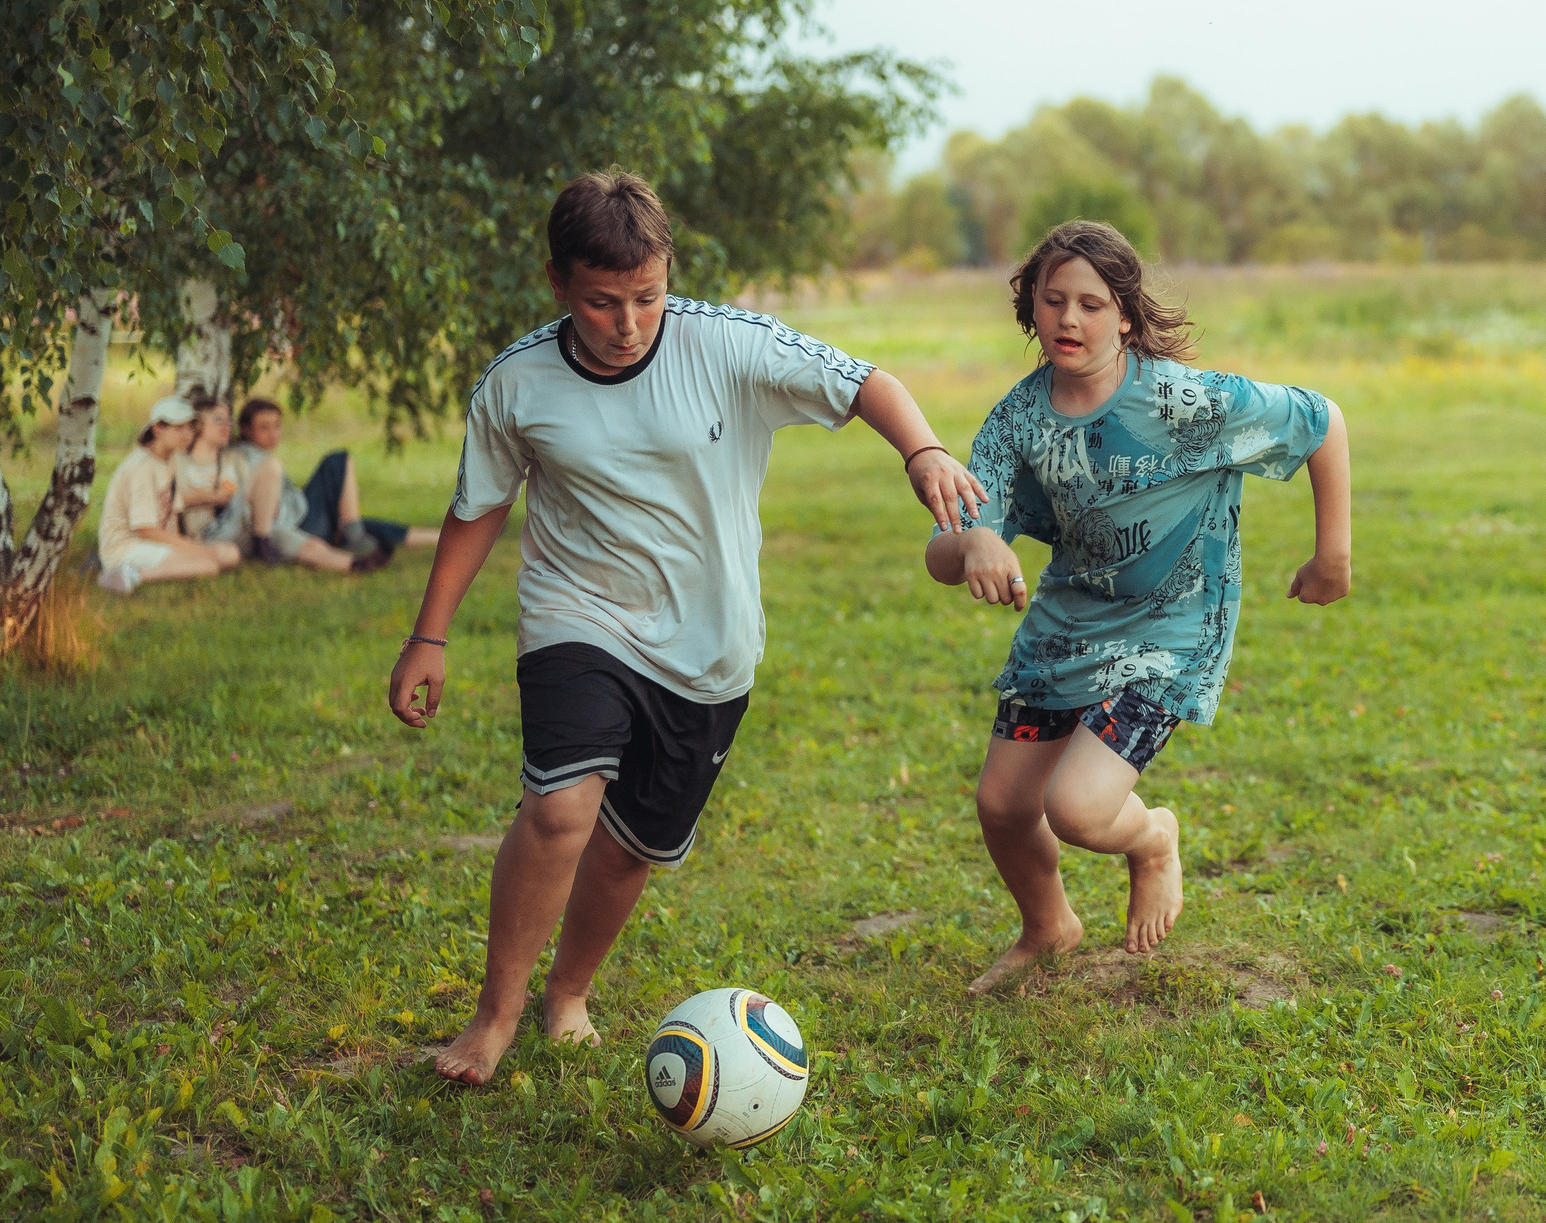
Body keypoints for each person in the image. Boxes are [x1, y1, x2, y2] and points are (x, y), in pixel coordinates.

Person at [385, 168, 982, 1085]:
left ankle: (569, 994)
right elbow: (480, 506)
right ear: (557, 284)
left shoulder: (725, 344)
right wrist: (430, 635)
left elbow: (868, 382)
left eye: (646, 297)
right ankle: (493, 1019)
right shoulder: (515, 384)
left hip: (709, 643)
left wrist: (924, 447)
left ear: (669, 273)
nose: (628, 324)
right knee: (559, 809)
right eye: (601, 303)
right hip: (576, 615)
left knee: (631, 850)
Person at [926, 220, 1351, 994]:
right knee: (1002, 805)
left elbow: (1322, 421)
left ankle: (1153, 841)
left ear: (1125, 314)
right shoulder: (1018, 420)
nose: (1069, 319)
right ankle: (1048, 927)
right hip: (1065, 626)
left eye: (1092, 303)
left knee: (1079, 811)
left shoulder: (1186, 403)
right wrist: (977, 545)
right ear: (1031, 307)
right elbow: (942, 550)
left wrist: (1332, 557)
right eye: (1053, 301)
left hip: (1172, 628)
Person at [233, 398, 440, 572]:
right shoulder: (244, 458)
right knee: (337, 462)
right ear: (246, 429)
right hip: (294, 525)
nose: (273, 433)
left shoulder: (259, 455)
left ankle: (440, 537)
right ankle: (354, 534)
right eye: (264, 428)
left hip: (299, 515)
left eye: (277, 426)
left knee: (367, 525)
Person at [95, 398, 243, 594]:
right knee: (208, 565)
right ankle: (127, 576)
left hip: (156, 543)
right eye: (178, 428)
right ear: (158, 429)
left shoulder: (170, 458)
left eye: (190, 428)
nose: (187, 434)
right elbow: (145, 529)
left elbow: (171, 512)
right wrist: (191, 548)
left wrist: (187, 545)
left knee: (230, 553)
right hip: (126, 548)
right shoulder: (142, 467)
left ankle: (150, 568)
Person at [177, 399, 259, 542]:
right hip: (202, 535)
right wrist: (215, 497)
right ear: (198, 424)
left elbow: (254, 497)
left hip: (241, 529)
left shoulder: (235, 459)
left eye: (229, 421)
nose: (226, 427)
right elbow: (167, 499)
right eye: (218, 421)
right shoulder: (178, 460)